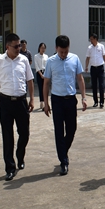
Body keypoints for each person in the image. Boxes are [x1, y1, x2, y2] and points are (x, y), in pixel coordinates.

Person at [0, 33, 34, 181]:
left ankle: (20, 155)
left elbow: (30, 80)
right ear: (7, 47)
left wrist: (32, 99)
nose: (19, 48)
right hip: (5, 103)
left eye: (20, 45)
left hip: (21, 102)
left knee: (24, 133)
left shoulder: (24, 60)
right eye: (16, 46)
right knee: (7, 136)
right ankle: (10, 168)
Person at [43, 35, 88, 175]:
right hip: (57, 100)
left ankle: (63, 151)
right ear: (56, 48)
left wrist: (84, 97)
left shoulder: (74, 59)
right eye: (61, 51)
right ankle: (63, 161)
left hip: (70, 100)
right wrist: (46, 103)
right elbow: (46, 83)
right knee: (59, 130)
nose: (63, 54)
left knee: (72, 129)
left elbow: (80, 79)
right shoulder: (50, 62)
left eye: (66, 51)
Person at [85, 34, 105, 108]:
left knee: (101, 85)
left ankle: (101, 102)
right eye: (90, 39)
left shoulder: (101, 46)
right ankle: (95, 102)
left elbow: (104, 56)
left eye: (92, 39)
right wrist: (86, 66)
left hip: (100, 68)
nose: (91, 41)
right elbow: (87, 58)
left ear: (95, 39)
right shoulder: (89, 48)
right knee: (94, 85)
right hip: (93, 68)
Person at [34, 43, 48, 111]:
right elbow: (37, 66)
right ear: (39, 48)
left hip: (45, 73)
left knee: (45, 88)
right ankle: (41, 102)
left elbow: (47, 65)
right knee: (40, 88)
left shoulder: (46, 56)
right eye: (42, 48)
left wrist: (45, 74)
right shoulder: (36, 56)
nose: (43, 49)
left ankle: (46, 102)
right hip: (39, 73)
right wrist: (41, 74)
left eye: (44, 48)